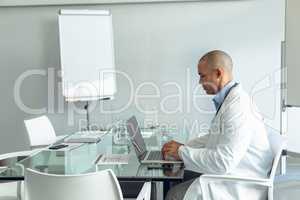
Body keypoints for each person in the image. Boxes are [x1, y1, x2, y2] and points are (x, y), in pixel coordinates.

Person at [162, 50, 273, 200]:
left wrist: (181, 151)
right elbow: (213, 137)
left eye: (202, 76)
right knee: (182, 174)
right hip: (235, 174)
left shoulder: (238, 106)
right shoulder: (231, 100)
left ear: (218, 73)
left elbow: (223, 162)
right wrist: (183, 147)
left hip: (241, 185)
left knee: (173, 194)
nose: (200, 82)